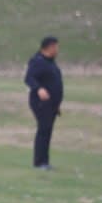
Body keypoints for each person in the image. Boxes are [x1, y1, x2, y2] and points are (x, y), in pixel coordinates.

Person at [24, 36, 63, 170]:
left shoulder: (51, 62)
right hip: (41, 102)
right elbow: (29, 78)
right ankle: (39, 162)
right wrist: (39, 89)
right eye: (56, 47)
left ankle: (44, 161)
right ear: (49, 47)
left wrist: (57, 103)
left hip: (51, 104)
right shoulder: (38, 61)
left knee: (47, 131)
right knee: (43, 130)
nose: (57, 50)